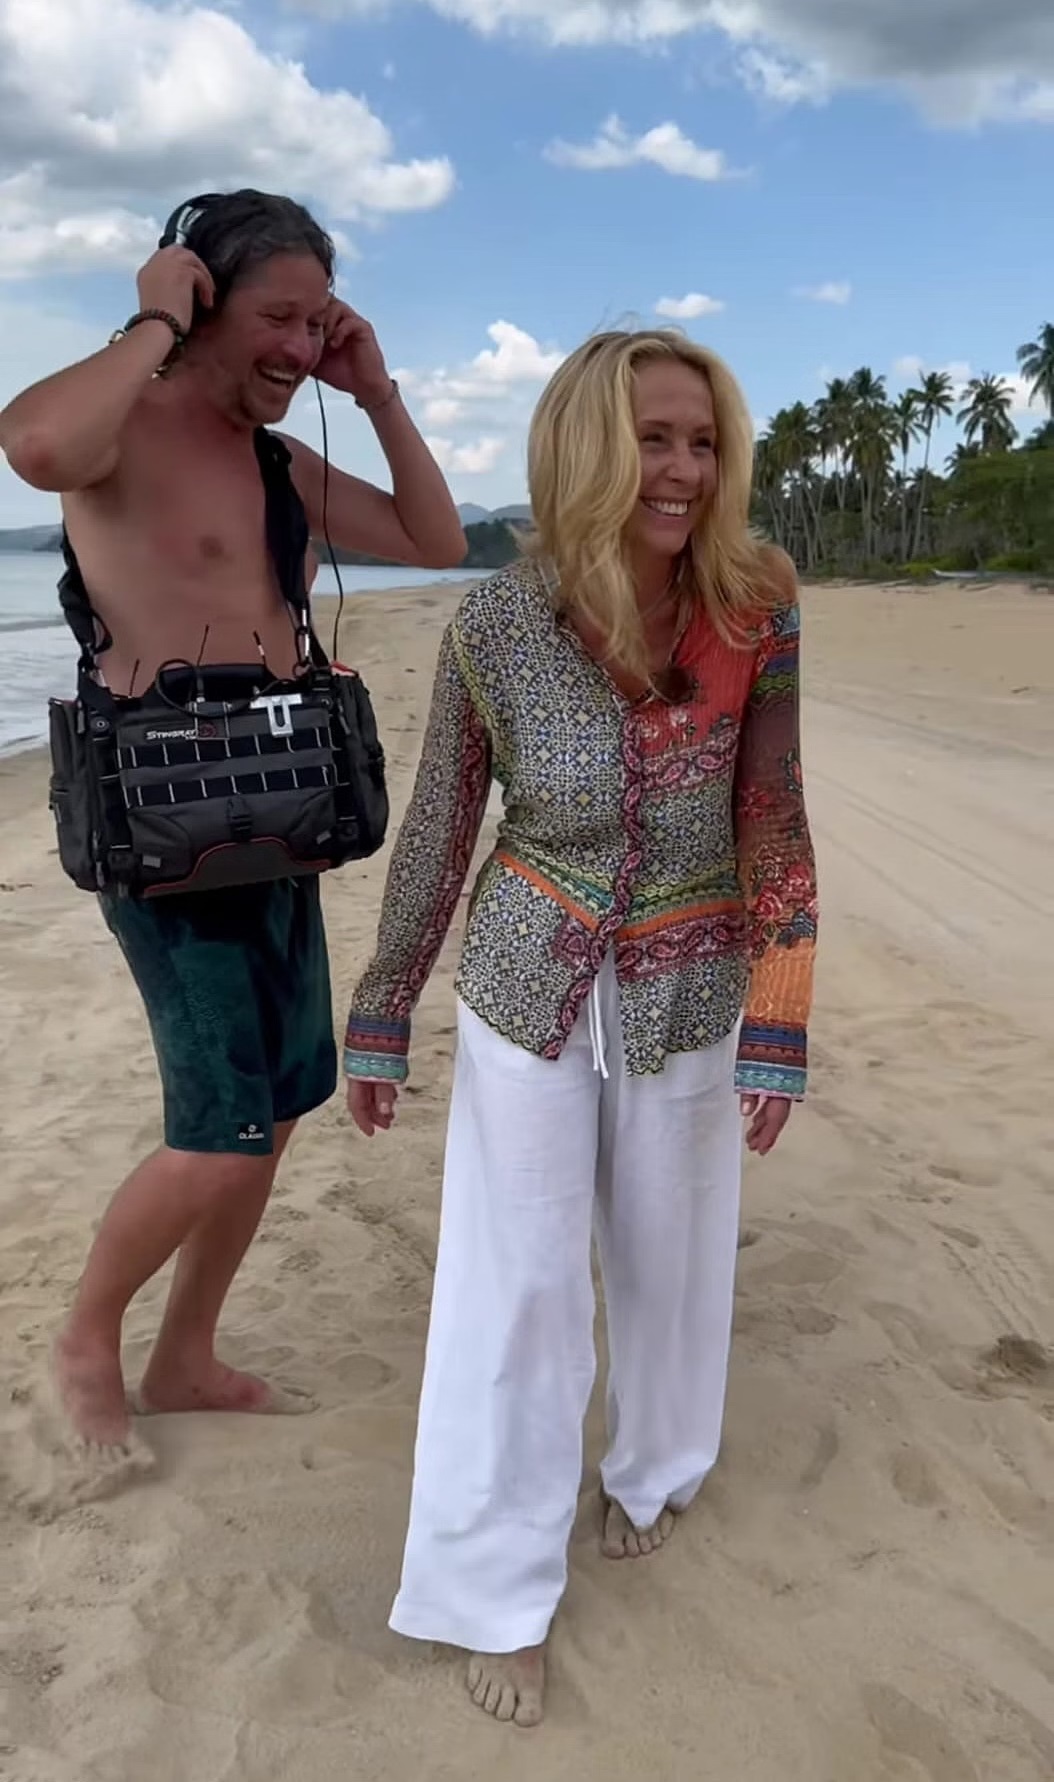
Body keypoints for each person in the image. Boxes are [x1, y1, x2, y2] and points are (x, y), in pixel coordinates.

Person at [343, 328, 819, 1725]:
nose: (682, 469)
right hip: (525, 979)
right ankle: (498, 1589)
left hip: (696, 975)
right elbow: (441, 825)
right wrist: (382, 1008)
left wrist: (783, 1007)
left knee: (674, 1253)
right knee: (521, 1283)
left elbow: (772, 807)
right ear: (585, 447)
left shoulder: (757, 604)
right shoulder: (493, 624)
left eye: (702, 442)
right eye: (652, 438)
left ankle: (654, 1469)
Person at [0, 188, 465, 1481]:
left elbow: (434, 536)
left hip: (276, 814)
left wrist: (376, 394)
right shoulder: (123, 426)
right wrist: (150, 324)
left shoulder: (277, 462)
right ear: (202, 297)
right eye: (280, 317)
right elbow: (33, 443)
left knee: (280, 1103)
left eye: (321, 322)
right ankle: (89, 1340)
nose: (303, 347)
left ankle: (187, 1355)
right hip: (162, 828)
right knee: (218, 1128)